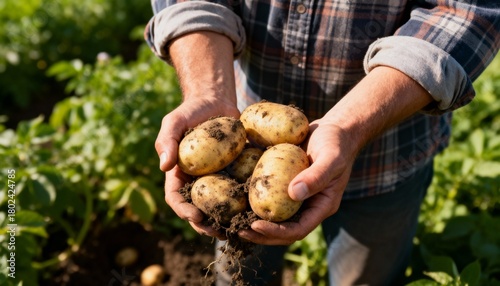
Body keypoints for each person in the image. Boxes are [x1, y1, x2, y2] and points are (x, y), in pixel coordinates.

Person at [144, 0, 500, 285]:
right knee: (240, 258)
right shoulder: (236, 163)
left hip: (388, 156)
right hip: (241, 135)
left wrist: (348, 127)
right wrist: (207, 90)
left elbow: (463, 12)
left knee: (366, 277)